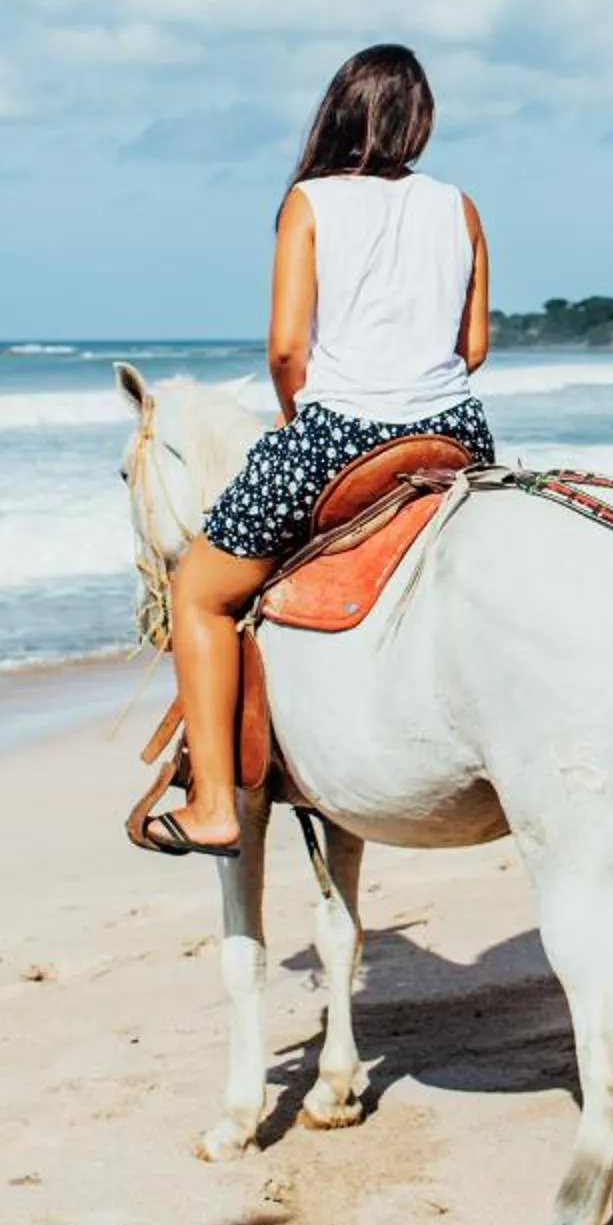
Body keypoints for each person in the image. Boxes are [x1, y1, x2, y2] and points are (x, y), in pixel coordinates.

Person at [137, 44, 496, 857]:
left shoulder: (308, 202)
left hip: (340, 433)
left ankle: (214, 806)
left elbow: (285, 350)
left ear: (339, 110)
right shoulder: (460, 207)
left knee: (199, 593)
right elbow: (472, 349)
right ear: (420, 121)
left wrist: (303, 420)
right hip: (456, 434)